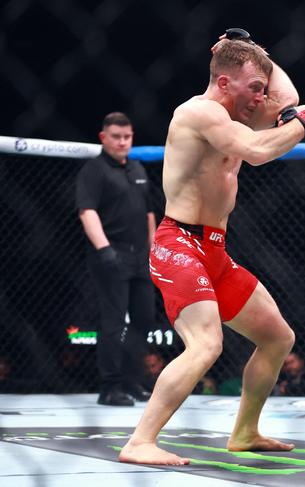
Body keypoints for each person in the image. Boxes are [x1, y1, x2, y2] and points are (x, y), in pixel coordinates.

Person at [118, 28, 305, 465]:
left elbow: (288, 100)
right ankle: (140, 441)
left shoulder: (242, 113)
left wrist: (258, 52)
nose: (262, 98)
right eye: (254, 88)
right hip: (179, 244)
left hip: (215, 252)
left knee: (278, 338)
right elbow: (258, 151)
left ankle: (244, 432)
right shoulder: (199, 114)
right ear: (224, 82)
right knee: (206, 345)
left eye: (262, 88)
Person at [76, 112, 156, 406]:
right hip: (111, 254)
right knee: (113, 322)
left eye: (127, 137)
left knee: (144, 318)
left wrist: (152, 251)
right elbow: (87, 210)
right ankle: (110, 387)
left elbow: (149, 214)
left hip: (140, 257)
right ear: (103, 138)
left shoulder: (137, 168)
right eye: (117, 137)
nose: (123, 142)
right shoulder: (94, 170)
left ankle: (131, 381)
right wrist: (104, 249)